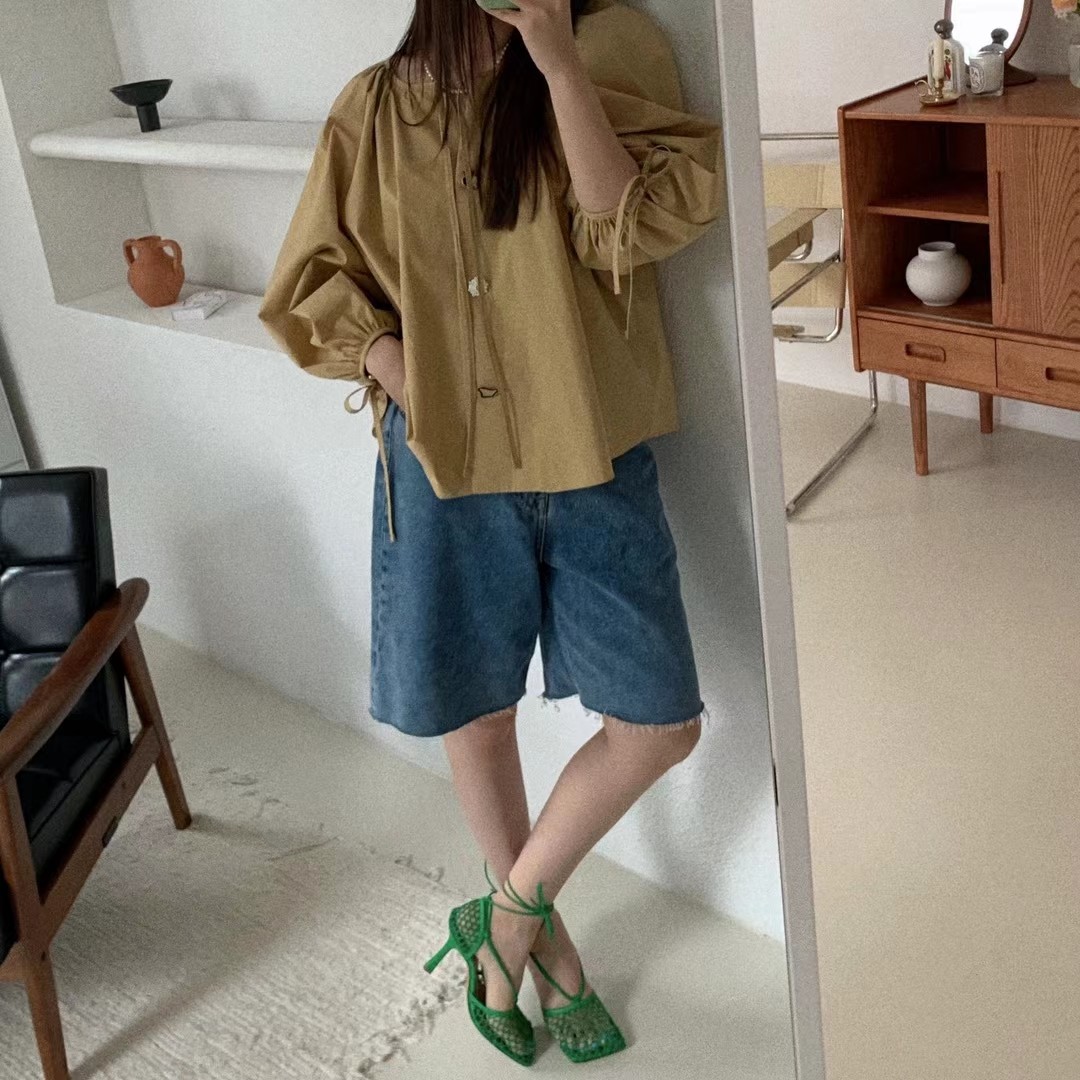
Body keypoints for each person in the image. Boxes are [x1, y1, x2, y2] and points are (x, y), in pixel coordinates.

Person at [259, 0, 724, 1065]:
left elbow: (632, 228)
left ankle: (506, 918)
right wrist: (401, 371)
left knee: (659, 722)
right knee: (476, 710)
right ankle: (549, 947)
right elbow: (314, 281)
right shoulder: (376, 106)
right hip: (443, 467)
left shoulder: (613, 48)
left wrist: (557, 65)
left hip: (592, 451)